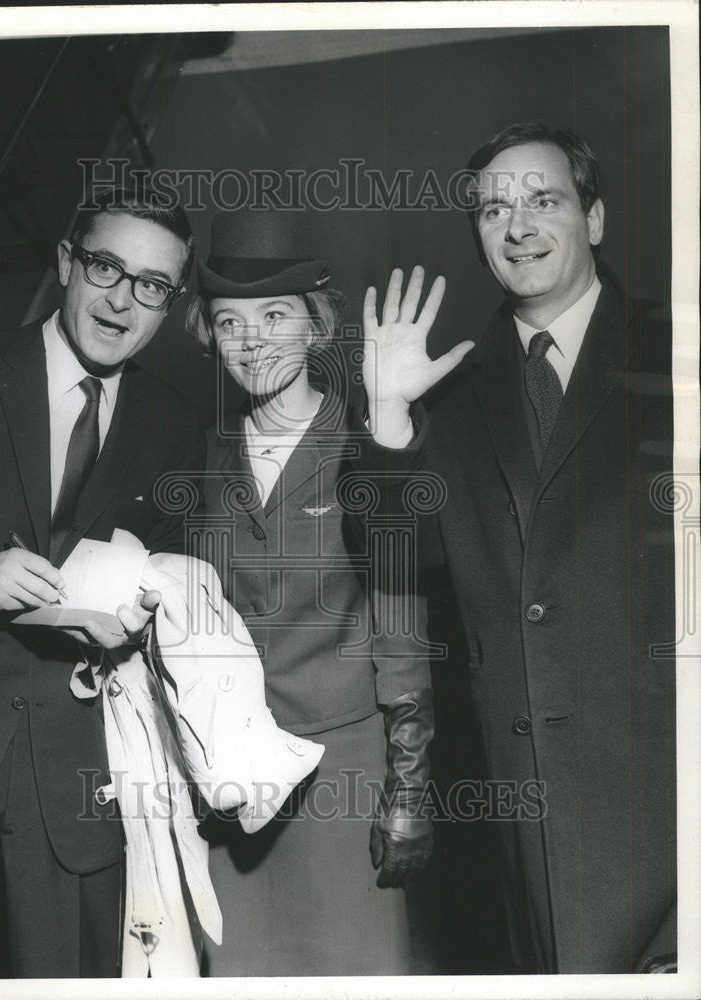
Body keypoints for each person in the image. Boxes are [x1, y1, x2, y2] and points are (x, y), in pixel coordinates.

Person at [360, 122, 676, 973]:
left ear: (595, 218)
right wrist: (389, 420)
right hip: (529, 804)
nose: (519, 226)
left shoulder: (678, 351)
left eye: (544, 200)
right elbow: (396, 558)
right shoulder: (452, 390)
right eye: (494, 210)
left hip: (669, 793)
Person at [0, 185, 205, 977]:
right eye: (107, 267)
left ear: (169, 303)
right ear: (64, 263)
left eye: (152, 286)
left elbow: (175, 569)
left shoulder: (174, 422)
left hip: (83, 787)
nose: (123, 301)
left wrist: (151, 615)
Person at [184, 209, 456, 976]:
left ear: (315, 327)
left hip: (346, 779)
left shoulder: (368, 443)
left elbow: (400, 615)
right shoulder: (199, 452)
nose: (252, 339)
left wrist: (409, 786)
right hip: (233, 784)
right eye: (228, 321)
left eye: (275, 315)